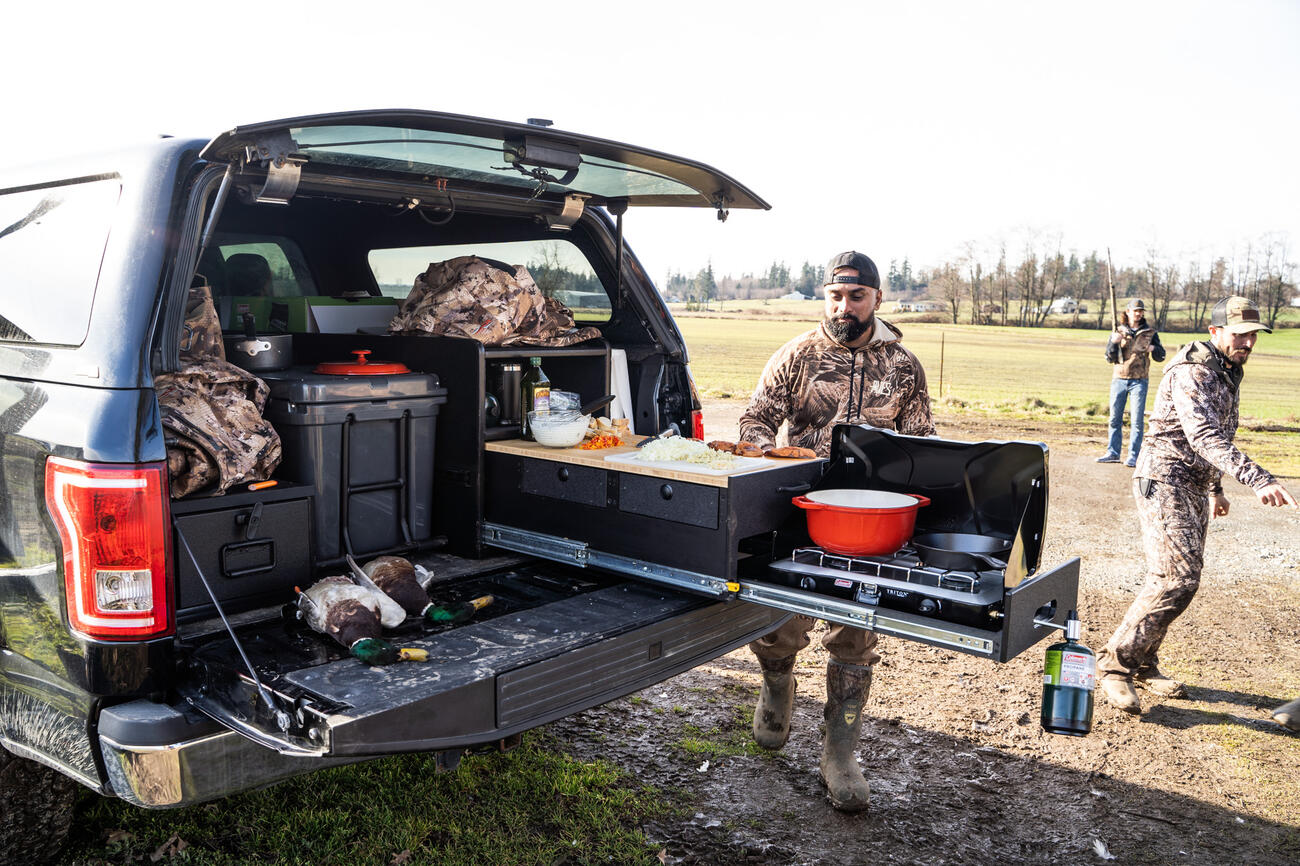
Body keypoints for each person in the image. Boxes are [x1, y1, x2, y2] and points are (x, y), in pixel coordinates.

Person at [738, 250, 935, 812]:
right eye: (835, 296)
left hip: (868, 518)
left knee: (856, 630)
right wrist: (766, 455)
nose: (843, 306)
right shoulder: (798, 354)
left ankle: (840, 750)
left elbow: (921, 444)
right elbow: (755, 418)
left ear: (876, 298)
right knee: (780, 623)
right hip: (798, 510)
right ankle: (778, 685)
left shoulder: (903, 366)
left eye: (856, 296)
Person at [1097, 296, 1298, 714]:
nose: (1246, 342)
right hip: (1163, 478)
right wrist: (1258, 479)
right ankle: (1115, 666)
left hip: (1192, 482)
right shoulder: (1193, 371)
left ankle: (1145, 662)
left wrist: (1215, 489)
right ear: (1215, 331)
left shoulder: (1226, 370)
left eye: (1252, 335)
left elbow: (1219, 433)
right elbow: (1203, 435)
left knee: (1174, 577)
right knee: (1176, 578)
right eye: (1239, 334)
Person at [1097, 298, 1165, 467]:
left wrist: (1154, 349)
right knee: (1114, 419)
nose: (1138, 313)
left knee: (1136, 420)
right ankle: (1113, 452)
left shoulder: (1150, 333)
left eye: (1140, 311)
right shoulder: (1118, 331)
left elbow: (1161, 355)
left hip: (1140, 381)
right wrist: (1114, 342)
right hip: (1119, 379)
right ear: (1127, 312)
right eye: (1135, 311)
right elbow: (1109, 358)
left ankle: (1134, 456)